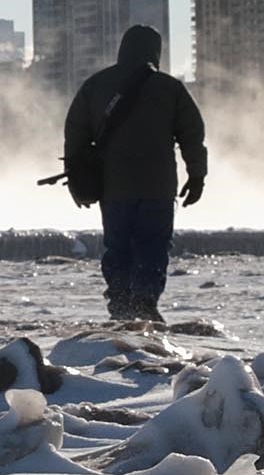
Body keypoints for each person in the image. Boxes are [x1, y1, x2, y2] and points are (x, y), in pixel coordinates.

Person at [60, 24, 207, 326]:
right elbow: (192, 135)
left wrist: (77, 182)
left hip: (114, 187)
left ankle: (120, 302)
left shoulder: (96, 85)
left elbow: (74, 136)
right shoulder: (170, 88)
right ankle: (145, 300)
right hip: (158, 186)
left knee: (118, 245)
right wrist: (197, 176)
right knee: (153, 244)